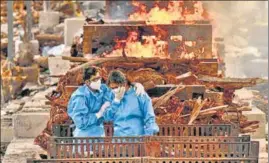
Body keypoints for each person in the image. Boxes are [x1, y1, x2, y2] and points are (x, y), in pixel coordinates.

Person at [67, 67, 146, 137]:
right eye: (95, 79)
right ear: (87, 82)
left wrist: (135, 85)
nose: (99, 81)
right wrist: (99, 114)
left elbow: (116, 88)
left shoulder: (103, 89)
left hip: (100, 133)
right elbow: (81, 123)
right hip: (84, 137)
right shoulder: (80, 97)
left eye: (99, 78)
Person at [101, 70, 159, 136]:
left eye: (116, 87)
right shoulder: (112, 95)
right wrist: (116, 101)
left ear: (124, 83)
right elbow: (107, 118)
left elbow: (149, 117)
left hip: (137, 137)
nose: (114, 90)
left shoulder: (139, 93)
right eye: (112, 88)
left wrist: (148, 136)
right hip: (118, 139)